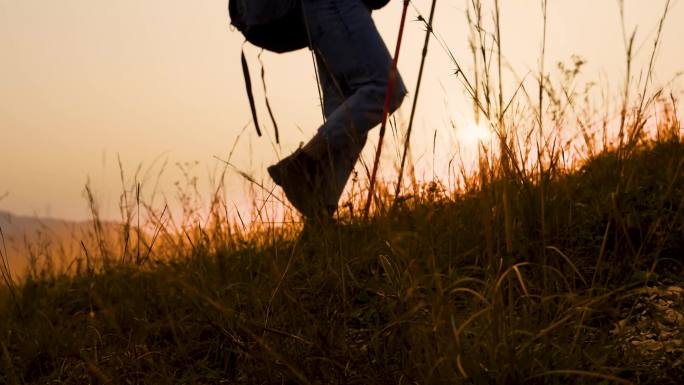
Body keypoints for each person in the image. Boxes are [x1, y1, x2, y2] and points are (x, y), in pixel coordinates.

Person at [267, 0, 406, 222]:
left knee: (349, 118)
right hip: (334, 5)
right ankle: (300, 164)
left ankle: (318, 228)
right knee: (386, 89)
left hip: (326, 11)